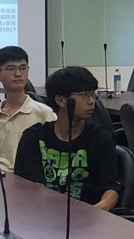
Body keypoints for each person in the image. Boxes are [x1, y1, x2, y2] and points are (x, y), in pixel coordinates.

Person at [14, 66, 120, 210]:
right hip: (42, 214)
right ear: (61, 100)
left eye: (93, 94)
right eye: (84, 95)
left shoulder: (101, 138)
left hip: (87, 216)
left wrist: (100, 209)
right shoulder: (34, 137)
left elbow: (111, 187)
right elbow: (29, 188)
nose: (91, 101)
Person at [0, 45, 55, 171]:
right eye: (11, 69)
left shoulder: (44, 113)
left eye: (23, 68)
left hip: (29, 179)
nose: (18, 74)